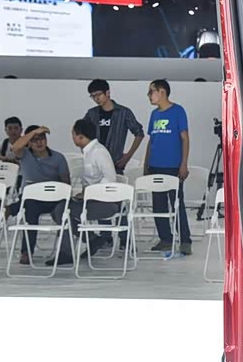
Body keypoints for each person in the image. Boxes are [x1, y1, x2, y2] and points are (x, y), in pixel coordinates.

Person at [49, 119, 118, 266]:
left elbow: (111, 179)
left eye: (73, 134)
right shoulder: (87, 152)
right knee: (57, 210)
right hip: (92, 200)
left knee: (61, 210)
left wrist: (89, 194)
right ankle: (92, 239)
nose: (72, 137)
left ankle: (67, 252)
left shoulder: (98, 152)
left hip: (105, 203)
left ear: (80, 136)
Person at [143, 79, 192, 255]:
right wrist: (146, 163)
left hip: (173, 167)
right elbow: (151, 140)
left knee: (177, 204)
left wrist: (183, 163)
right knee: (158, 205)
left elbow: (185, 138)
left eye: (151, 91)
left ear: (162, 92)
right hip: (155, 166)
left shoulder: (178, 111)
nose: (149, 95)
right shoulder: (154, 114)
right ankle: (165, 238)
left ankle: (185, 240)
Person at [9, 125, 70, 264]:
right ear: (29, 142)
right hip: (32, 200)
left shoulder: (58, 157)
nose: (39, 142)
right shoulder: (25, 154)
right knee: (29, 206)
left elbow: (66, 182)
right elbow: (15, 147)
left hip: (53, 199)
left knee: (26, 204)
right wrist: (34, 132)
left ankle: (8, 210)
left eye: (41, 138)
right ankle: (27, 252)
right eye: (34, 139)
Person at [83, 79, 145, 174]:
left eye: (98, 94)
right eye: (93, 96)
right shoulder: (92, 113)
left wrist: (128, 156)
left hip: (115, 164)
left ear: (107, 93)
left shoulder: (124, 112)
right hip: (95, 164)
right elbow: (80, 132)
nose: (96, 99)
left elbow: (139, 133)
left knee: (115, 183)